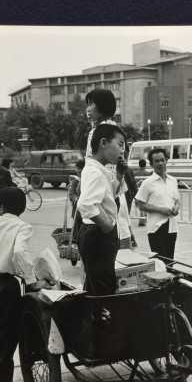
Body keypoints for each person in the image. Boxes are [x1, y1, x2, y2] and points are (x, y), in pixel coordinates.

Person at [0, 187, 55, 382]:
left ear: (0, 205)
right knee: (3, 347)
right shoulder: (22, 226)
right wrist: (30, 280)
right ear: (21, 208)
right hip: (4, 290)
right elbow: (19, 252)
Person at [77, 123, 126, 296]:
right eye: (120, 144)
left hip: (96, 234)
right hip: (98, 235)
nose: (122, 151)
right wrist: (108, 227)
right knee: (104, 290)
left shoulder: (100, 170)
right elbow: (86, 204)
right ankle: (100, 321)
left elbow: (108, 196)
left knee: (95, 287)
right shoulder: (95, 172)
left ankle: (93, 319)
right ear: (103, 142)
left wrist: (119, 175)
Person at [135, 148, 180, 261]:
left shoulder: (173, 180)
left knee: (170, 262)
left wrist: (176, 207)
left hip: (172, 227)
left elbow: (177, 200)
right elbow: (139, 204)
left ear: (166, 161)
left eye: (162, 160)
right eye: (157, 161)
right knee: (160, 263)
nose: (160, 163)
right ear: (151, 164)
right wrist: (161, 210)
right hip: (156, 228)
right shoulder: (147, 183)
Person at [85, 88, 117, 158]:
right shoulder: (114, 129)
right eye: (87, 105)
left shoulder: (100, 132)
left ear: (102, 106)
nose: (87, 109)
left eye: (90, 104)